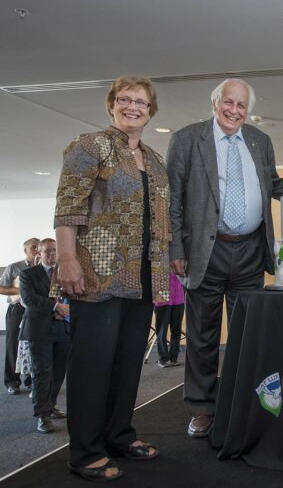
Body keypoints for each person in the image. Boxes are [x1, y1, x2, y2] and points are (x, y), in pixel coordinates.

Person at [54, 75, 172, 481]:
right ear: (111, 105)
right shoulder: (90, 146)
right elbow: (68, 209)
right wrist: (67, 260)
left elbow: (159, 218)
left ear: (151, 110)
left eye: (140, 101)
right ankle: (84, 451)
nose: (132, 106)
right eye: (124, 99)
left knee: (128, 363)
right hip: (97, 275)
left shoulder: (155, 160)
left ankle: (119, 435)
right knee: (93, 364)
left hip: (142, 276)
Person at [166, 78, 283, 438]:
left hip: (250, 248)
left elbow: (274, 186)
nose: (234, 111)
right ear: (215, 102)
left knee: (248, 334)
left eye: (241, 106)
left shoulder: (260, 142)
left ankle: (243, 402)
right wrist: (175, 249)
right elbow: (172, 199)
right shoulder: (187, 139)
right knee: (202, 336)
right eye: (228, 103)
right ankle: (202, 408)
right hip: (205, 251)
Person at [18, 238, 70, 434]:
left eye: (55, 250)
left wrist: (66, 310)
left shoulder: (65, 272)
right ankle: (42, 415)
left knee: (58, 372)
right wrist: (56, 307)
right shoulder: (27, 274)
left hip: (62, 328)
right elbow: (29, 299)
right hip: (39, 330)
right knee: (42, 373)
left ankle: (51, 405)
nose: (52, 254)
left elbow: (74, 294)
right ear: (39, 252)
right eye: (47, 251)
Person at [0, 237, 39, 395]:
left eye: (38, 247)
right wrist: (21, 291)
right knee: (12, 346)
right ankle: (12, 382)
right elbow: (1, 288)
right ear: (26, 251)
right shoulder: (14, 267)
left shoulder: (43, 267)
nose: (36, 250)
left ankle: (31, 381)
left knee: (34, 346)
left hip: (35, 310)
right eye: (33, 248)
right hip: (16, 310)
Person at [154, 272, 185, 367]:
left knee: (176, 329)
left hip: (178, 295)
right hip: (162, 293)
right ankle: (163, 359)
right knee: (162, 330)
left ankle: (174, 358)